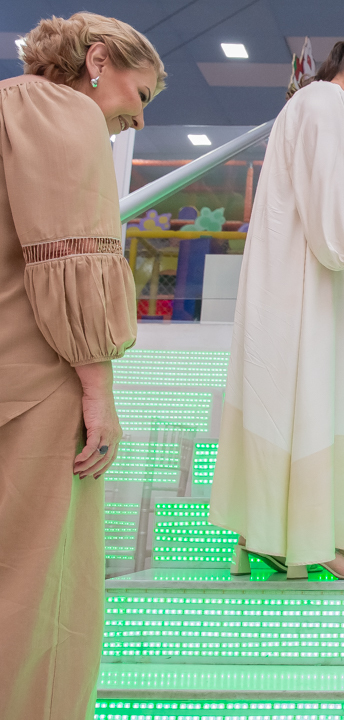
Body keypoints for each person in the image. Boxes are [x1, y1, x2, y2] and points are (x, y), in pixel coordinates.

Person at [0, 12, 164, 719]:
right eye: (142, 93)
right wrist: (98, 389)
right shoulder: (69, 119)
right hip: (39, 375)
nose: (137, 116)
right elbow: (72, 257)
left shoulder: (8, 102)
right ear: (98, 58)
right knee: (41, 577)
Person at [210, 28, 344, 581]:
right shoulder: (324, 102)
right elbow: (333, 182)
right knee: (313, 391)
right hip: (308, 280)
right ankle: (314, 540)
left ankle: (265, 534)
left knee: (284, 393)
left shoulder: (312, 106)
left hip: (291, 274)